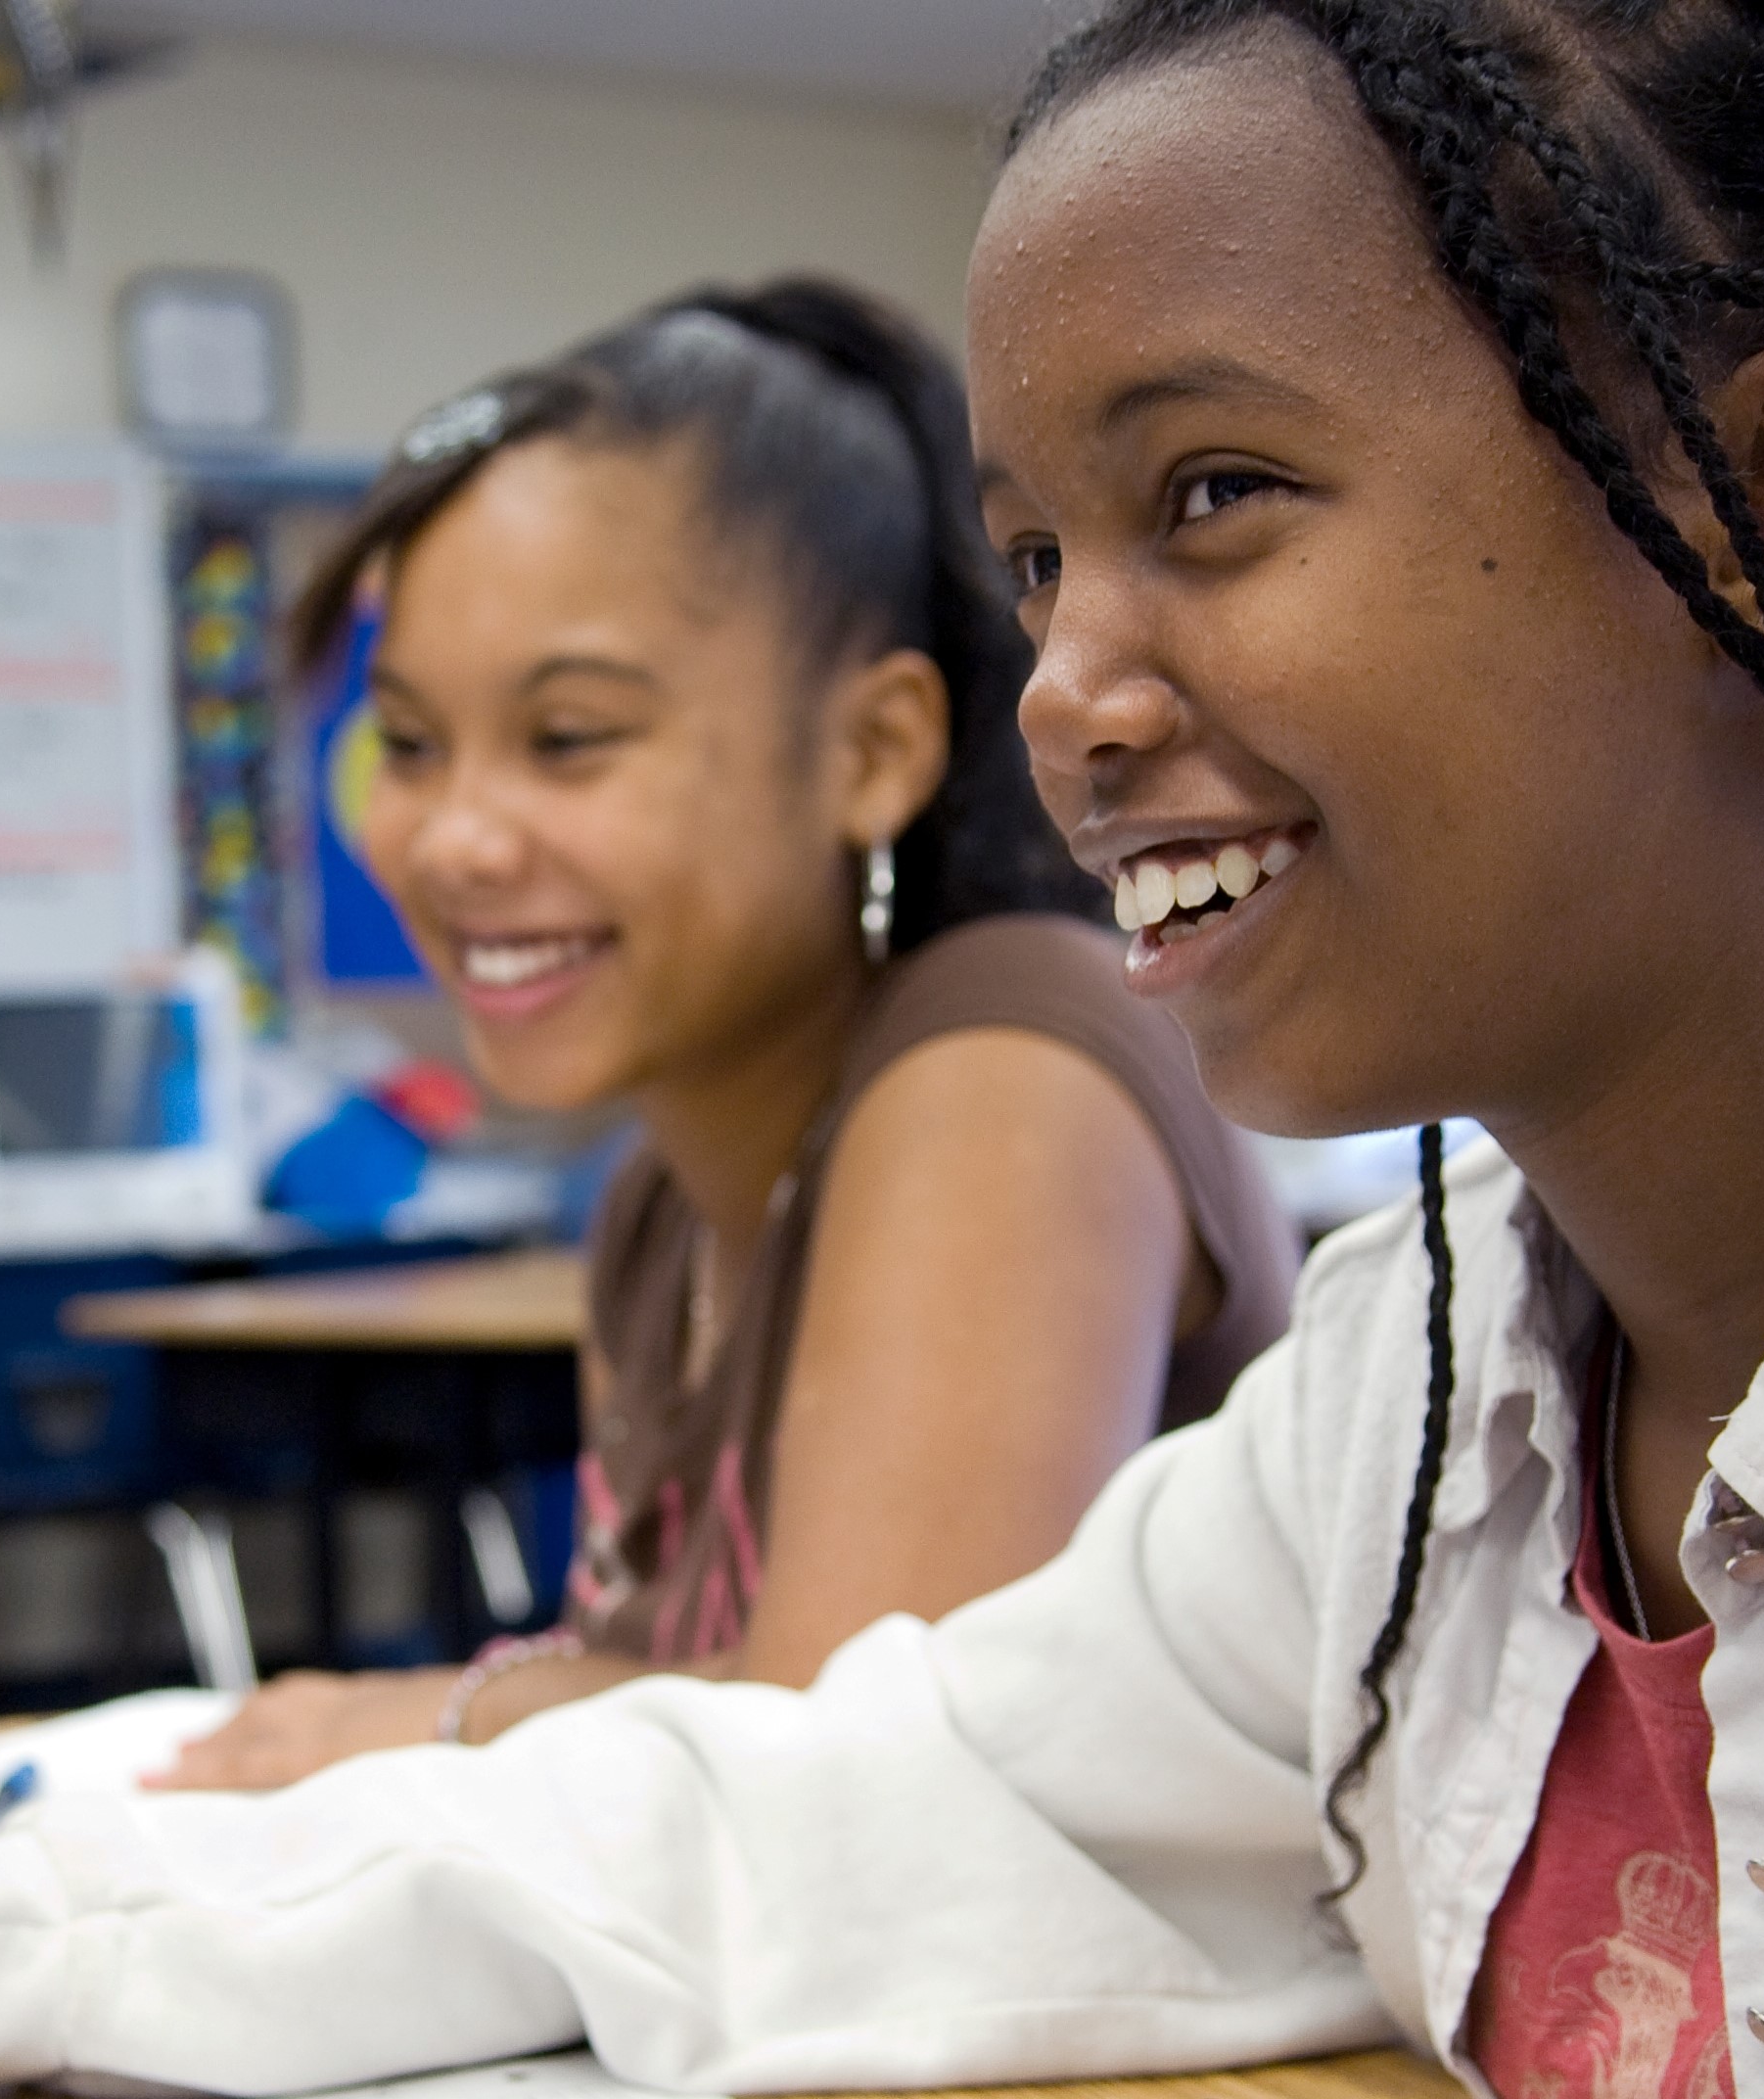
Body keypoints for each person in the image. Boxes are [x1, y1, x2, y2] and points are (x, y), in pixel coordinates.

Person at [0, 3, 1764, 2096]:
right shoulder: (1417, 1424)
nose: (1068, 690)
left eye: (1213, 495)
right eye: (1039, 559)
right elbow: (824, 1814)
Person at [154, 279, 1297, 1785]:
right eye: (412, 745)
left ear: (874, 750)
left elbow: (861, 1768)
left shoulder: (1010, 1057)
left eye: (568, 739)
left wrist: (420, 1720)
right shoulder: (659, 1208)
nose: (454, 840)